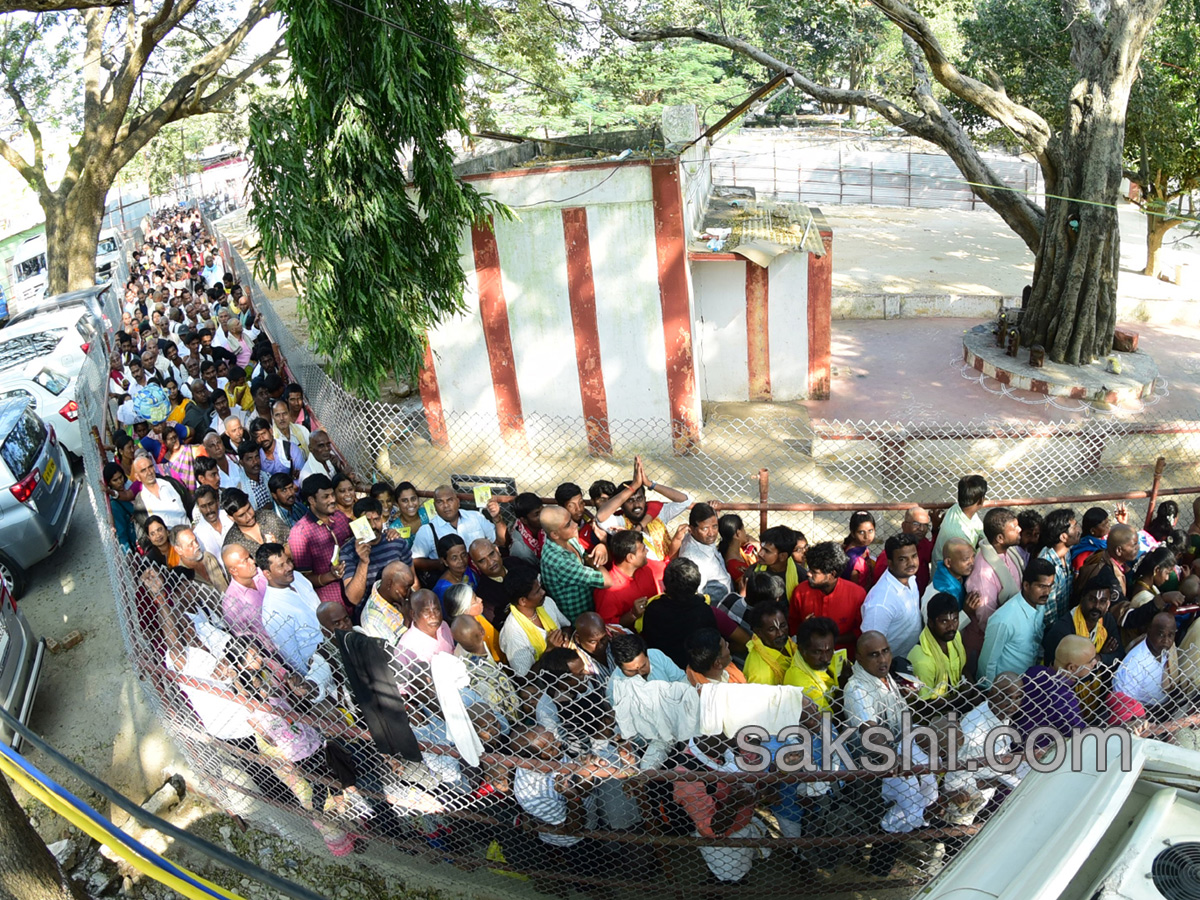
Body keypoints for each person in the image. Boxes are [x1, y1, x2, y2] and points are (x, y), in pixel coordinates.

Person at [594, 456, 691, 564]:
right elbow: (600, 517)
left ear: (645, 499)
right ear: (621, 505)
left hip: (669, 571)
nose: (636, 505)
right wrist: (634, 486)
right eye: (630, 501)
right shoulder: (620, 523)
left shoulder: (658, 515)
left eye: (639, 499)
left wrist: (650, 484)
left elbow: (685, 501)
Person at [978, 557, 1055, 688]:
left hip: (1029, 685)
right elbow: (987, 662)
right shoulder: (1004, 619)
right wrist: (991, 694)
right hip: (1005, 692)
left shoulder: (1039, 606)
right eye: (1041, 586)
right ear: (1026, 586)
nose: (1047, 592)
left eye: (1050, 586)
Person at [963, 507, 1025, 666]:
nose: (1020, 529)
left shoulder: (1009, 553)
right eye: (1014, 528)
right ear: (1000, 538)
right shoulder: (984, 574)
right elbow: (986, 618)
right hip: (986, 644)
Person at [1016, 635, 1097, 751]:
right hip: (1035, 756)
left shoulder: (1034, 671)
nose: (1095, 662)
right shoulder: (1064, 698)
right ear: (1072, 668)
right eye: (1090, 661)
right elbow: (1079, 733)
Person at [789, 541, 865, 660]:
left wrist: (829, 640)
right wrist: (805, 629)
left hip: (844, 660)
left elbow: (860, 632)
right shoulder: (800, 592)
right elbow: (793, 625)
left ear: (832, 574)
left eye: (814, 572)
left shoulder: (857, 594)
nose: (808, 574)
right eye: (809, 569)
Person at [257, 542, 323, 676]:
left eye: (288, 561)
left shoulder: (297, 577)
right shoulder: (273, 611)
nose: (289, 567)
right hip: (319, 662)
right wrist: (313, 679)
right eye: (281, 566)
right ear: (267, 574)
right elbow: (291, 655)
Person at [287, 474, 353, 609]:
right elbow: (304, 578)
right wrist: (331, 575)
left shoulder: (339, 517)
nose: (332, 500)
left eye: (332, 495)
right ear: (312, 500)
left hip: (355, 590)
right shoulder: (300, 533)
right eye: (326, 497)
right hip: (332, 603)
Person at [640, 558, 719, 670]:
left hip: (661, 668)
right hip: (695, 670)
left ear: (665, 584)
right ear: (696, 585)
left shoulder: (652, 609)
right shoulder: (704, 611)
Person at [338, 498, 412, 611]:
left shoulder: (397, 542)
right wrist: (363, 562)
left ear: (382, 518)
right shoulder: (347, 552)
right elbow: (353, 599)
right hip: (368, 615)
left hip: (400, 609)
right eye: (367, 521)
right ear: (357, 522)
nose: (373, 526)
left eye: (376, 519)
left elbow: (412, 581)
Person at [538, 506, 610, 622]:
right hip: (579, 620)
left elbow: (585, 557)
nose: (575, 524)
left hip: (588, 606)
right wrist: (598, 554)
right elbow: (607, 581)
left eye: (571, 519)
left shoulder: (566, 539)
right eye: (567, 525)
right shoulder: (560, 562)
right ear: (555, 534)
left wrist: (600, 547)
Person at [410, 485, 498, 578]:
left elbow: (498, 541)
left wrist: (497, 518)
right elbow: (413, 560)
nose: (446, 505)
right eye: (440, 502)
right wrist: (441, 564)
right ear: (434, 506)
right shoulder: (427, 530)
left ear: (458, 502)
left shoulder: (475, 517)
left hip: (485, 574)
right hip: (454, 582)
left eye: (450, 500)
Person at [498, 567, 571, 676]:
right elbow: (525, 678)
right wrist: (549, 650)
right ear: (523, 601)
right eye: (537, 591)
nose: (543, 592)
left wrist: (564, 637)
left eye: (540, 587)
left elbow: (567, 626)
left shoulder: (547, 603)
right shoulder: (513, 635)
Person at [860, 534, 923, 659]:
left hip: (912, 657)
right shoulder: (881, 603)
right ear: (890, 563)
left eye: (914, 556)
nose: (911, 562)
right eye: (902, 559)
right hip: (891, 666)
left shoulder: (910, 579)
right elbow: (870, 646)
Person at [1112, 611, 1179, 714]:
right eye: (1161, 634)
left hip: (1166, 707)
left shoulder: (1167, 650)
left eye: (1170, 635)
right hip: (1143, 716)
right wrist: (1159, 710)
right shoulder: (1135, 663)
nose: (1166, 640)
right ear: (1149, 631)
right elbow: (1123, 705)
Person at [907, 591, 967, 700]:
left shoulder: (955, 636)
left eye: (955, 619)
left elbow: (963, 668)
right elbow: (923, 706)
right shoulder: (923, 660)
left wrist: (971, 689)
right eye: (944, 622)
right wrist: (961, 699)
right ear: (931, 622)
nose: (951, 627)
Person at [592, 529, 658, 628]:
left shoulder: (646, 568)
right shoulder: (607, 591)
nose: (647, 551)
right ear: (630, 557)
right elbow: (607, 627)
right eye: (643, 549)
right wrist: (632, 615)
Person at [784, 616, 845, 711]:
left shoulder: (835, 656)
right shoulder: (798, 681)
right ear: (802, 650)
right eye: (817, 652)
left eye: (829, 650)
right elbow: (825, 718)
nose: (825, 658)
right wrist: (844, 688)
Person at [219, 544, 273, 651]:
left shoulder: (262, 574)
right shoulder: (232, 603)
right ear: (233, 570)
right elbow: (247, 641)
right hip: (275, 651)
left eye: (250, 557)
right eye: (246, 560)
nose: (252, 561)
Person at [677, 503, 734, 602]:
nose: (711, 533)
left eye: (715, 526)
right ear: (691, 530)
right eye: (705, 529)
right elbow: (696, 596)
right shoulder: (693, 559)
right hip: (717, 609)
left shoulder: (702, 539)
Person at [871, 506, 933, 592]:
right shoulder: (889, 556)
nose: (922, 529)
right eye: (916, 524)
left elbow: (933, 556)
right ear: (904, 525)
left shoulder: (924, 543)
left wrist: (936, 530)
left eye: (925, 525)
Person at [1075, 522, 1139, 602]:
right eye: (1134, 545)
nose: (1138, 547)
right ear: (1119, 550)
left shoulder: (1100, 554)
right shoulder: (1111, 579)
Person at [1037, 508, 1080, 627]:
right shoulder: (1048, 569)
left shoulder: (1066, 553)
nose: (1078, 529)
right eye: (1075, 526)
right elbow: (1049, 616)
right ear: (1063, 537)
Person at [220, 487, 291, 557]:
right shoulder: (232, 543)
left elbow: (293, 544)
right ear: (231, 518)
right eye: (242, 515)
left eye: (249, 508)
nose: (249, 516)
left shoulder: (269, 517)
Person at [393, 589, 455, 668]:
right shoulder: (405, 649)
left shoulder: (443, 626)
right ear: (413, 615)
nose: (433, 616)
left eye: (436, 610)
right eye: (426, 612)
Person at [358, 560, 414, 646]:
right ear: (389, 584)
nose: (410, 592)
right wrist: (407, 621)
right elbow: (395, 652)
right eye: (406, 588)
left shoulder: (400, 597)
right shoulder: (372, 620)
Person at [932, 474, 988, 557]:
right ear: (981, 500)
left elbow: (981, 532)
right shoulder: (961, 535)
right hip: (952, 568)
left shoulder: (957, 509)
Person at [443, 583, 501, 663]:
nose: (480, 599)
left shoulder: (478, 617)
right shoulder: (466, 639)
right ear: (465, 611)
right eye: (475, 600)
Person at [467, 537, 521, 623]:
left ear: (497, 550)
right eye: (482, 561)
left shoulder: (516, 563)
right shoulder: (484, 595)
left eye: (491, 554)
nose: (491, 562)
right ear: (475, 565)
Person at [131, 453, 190, 528]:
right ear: (138, 477)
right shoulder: (141, 502)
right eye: (143, 470)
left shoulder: (170, 483)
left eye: (150, 467)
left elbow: (189, 502)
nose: (149, 472)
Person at [743, 600, 795, 685]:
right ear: (759, 632)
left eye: (783, 626)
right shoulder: (760, 674)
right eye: (772, 629)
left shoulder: (785, 642)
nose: (780, 633)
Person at [169, 524, 229, 591]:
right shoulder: (182, 576)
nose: (196, 545)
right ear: (179, 550)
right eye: (190, 544)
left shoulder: (208, 557)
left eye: (196, 540)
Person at [251, 416, 303, 481]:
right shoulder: (257, 457)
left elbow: (301, 476)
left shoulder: (290, 448)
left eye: (263, 433)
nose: (262, 439)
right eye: (257, 436)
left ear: (271, 431)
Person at [432, 534, 477, 604]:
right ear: (445, 561)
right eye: (454, 558)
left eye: (464, 555)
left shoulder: (468, 571)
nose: (461, 561)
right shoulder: (443, 589)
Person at [103, 461, 138, 553]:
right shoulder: (115, 504)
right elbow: (121, 532)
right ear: (109, 483)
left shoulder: (129, 486)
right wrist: (128, 552)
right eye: (115, 480)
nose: (120, 482)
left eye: (120, 477)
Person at [1070, 506, 1116, 572]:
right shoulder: (1084, 554)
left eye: (1108, 522)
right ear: (1092, 530)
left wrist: (1123, 523)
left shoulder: (1106, 537)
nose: (1108, 526)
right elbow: (1079, 578)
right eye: (1104, 525)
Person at [507, 492, 545, 568]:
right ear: (524, 520)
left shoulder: (543, 525)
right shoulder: (522, 551)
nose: (543, 515)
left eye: (543, 510)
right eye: (537, 514)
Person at [717, 514, 757, 584]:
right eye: (743, 529)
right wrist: (759, 547)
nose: (745, 533)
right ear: (738, 534)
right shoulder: (734, 566)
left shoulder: (740, 550)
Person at [841, 511, 876, 589]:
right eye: (861, 532)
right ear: (853, 533)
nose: (867, 536)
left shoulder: (862, 546)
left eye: (870, 531)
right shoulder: (855, 560)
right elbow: (854, 589)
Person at [237, 439, 273, 509]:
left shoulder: (268, 477)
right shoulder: (241, 489)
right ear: (241, 463)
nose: (255, 462)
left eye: (257, 457)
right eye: (250, 459)